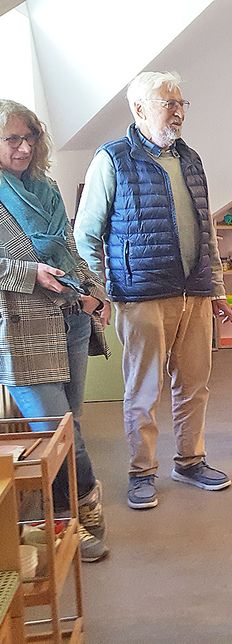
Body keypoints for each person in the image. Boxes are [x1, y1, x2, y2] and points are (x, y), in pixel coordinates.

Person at [74, 71, 232, 510]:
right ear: (140, 109)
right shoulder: (112, 159)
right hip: (140, 293)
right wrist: (96, 292)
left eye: (181, 102)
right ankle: (142, 471)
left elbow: (208, 230)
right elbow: (86, 234)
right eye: (169, 103)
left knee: (195, 384)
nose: (178, 111)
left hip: (195, 293)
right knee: (144, 390)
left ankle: (190, 461)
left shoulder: (192, 159)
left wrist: (216, 288)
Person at [0, 100, 110, 561]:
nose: (24, 148)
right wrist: (30, 274)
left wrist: (94, 291)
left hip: (71, 319)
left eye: (30, 138)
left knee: (71, 425)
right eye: (12, 139)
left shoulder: (45, 188)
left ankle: (76, 509)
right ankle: (73, 512)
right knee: (56, 432)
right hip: (25, 331)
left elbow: (69, 248)